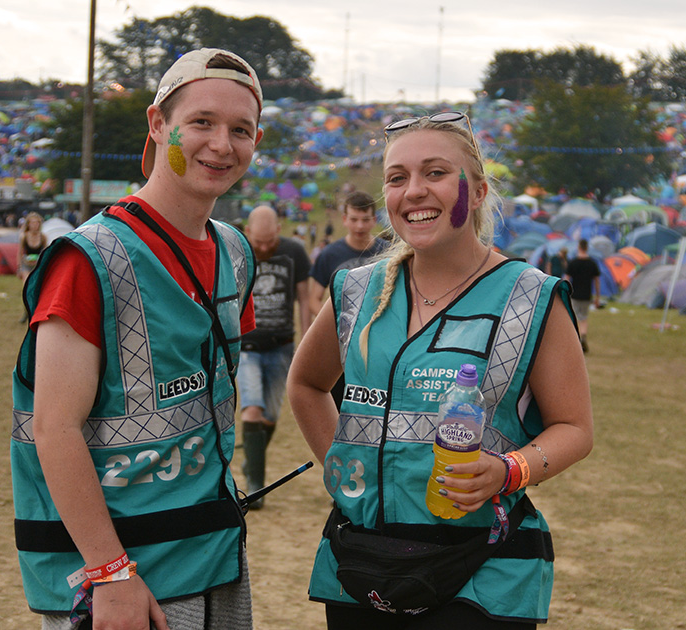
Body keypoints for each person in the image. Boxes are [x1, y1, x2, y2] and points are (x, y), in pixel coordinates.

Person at [287, 112, 593, 629]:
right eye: (397, 177)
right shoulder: (356, 290)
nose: (413, 192)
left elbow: (575, 429)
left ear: (474, 191)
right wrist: (343, 474)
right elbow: (306, 384)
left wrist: (507, 470)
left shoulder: (531, 295)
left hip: (483, 570)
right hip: (363, 562)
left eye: (434, 173)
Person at [10, 48, 264, 630]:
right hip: (124, 576)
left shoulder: (234, 252)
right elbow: (53, 426)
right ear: (158, 124)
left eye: (241, 130)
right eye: (201, 122)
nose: (222, 145)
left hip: (213, 557)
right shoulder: (90, 259)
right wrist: (110, 570)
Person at [237, 204, 312, 509]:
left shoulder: (295, 252)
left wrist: (307, 341)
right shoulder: (238, 252)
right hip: (248, 347)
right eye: (259, 243)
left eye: (270, 242)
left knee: (269, 417)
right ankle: (256, 486)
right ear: (248, 233)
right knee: (251, 410)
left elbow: (305, 301)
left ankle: (252, 463)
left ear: (279, 230)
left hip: (282, 346)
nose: (265, 248)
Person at [307, 191, 388, 407]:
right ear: (344, 220)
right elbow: (314, 299)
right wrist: (339, 323)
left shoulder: (388, 252)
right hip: (341, 347)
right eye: (354, 219)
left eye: (365, 220)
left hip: (381, 345)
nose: (359, 226)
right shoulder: (329, 255)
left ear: (374, 219)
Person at [565, 239, 600, 353]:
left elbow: (567, 279)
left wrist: (564, 293)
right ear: (587, 248)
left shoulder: (573, 262)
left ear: (579, 247)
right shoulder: (592, 263)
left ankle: (575, 341)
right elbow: (596, 280)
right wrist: (597, 297)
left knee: (573, 318)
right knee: (584, 318)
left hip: (575, 295)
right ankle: (583, 335)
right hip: (586, 295)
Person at [17, 211, 48, 323]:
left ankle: (34, 312)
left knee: (36, 290)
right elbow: (20, 253)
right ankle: (26, 311)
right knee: (27, 288)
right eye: (32, 223)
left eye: (36, 223)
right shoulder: (24, 237)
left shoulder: (43, 237)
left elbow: (46, 252)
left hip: (37, 265)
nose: (34, 225)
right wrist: (19, 268)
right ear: (28, 224)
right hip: (26, 265)